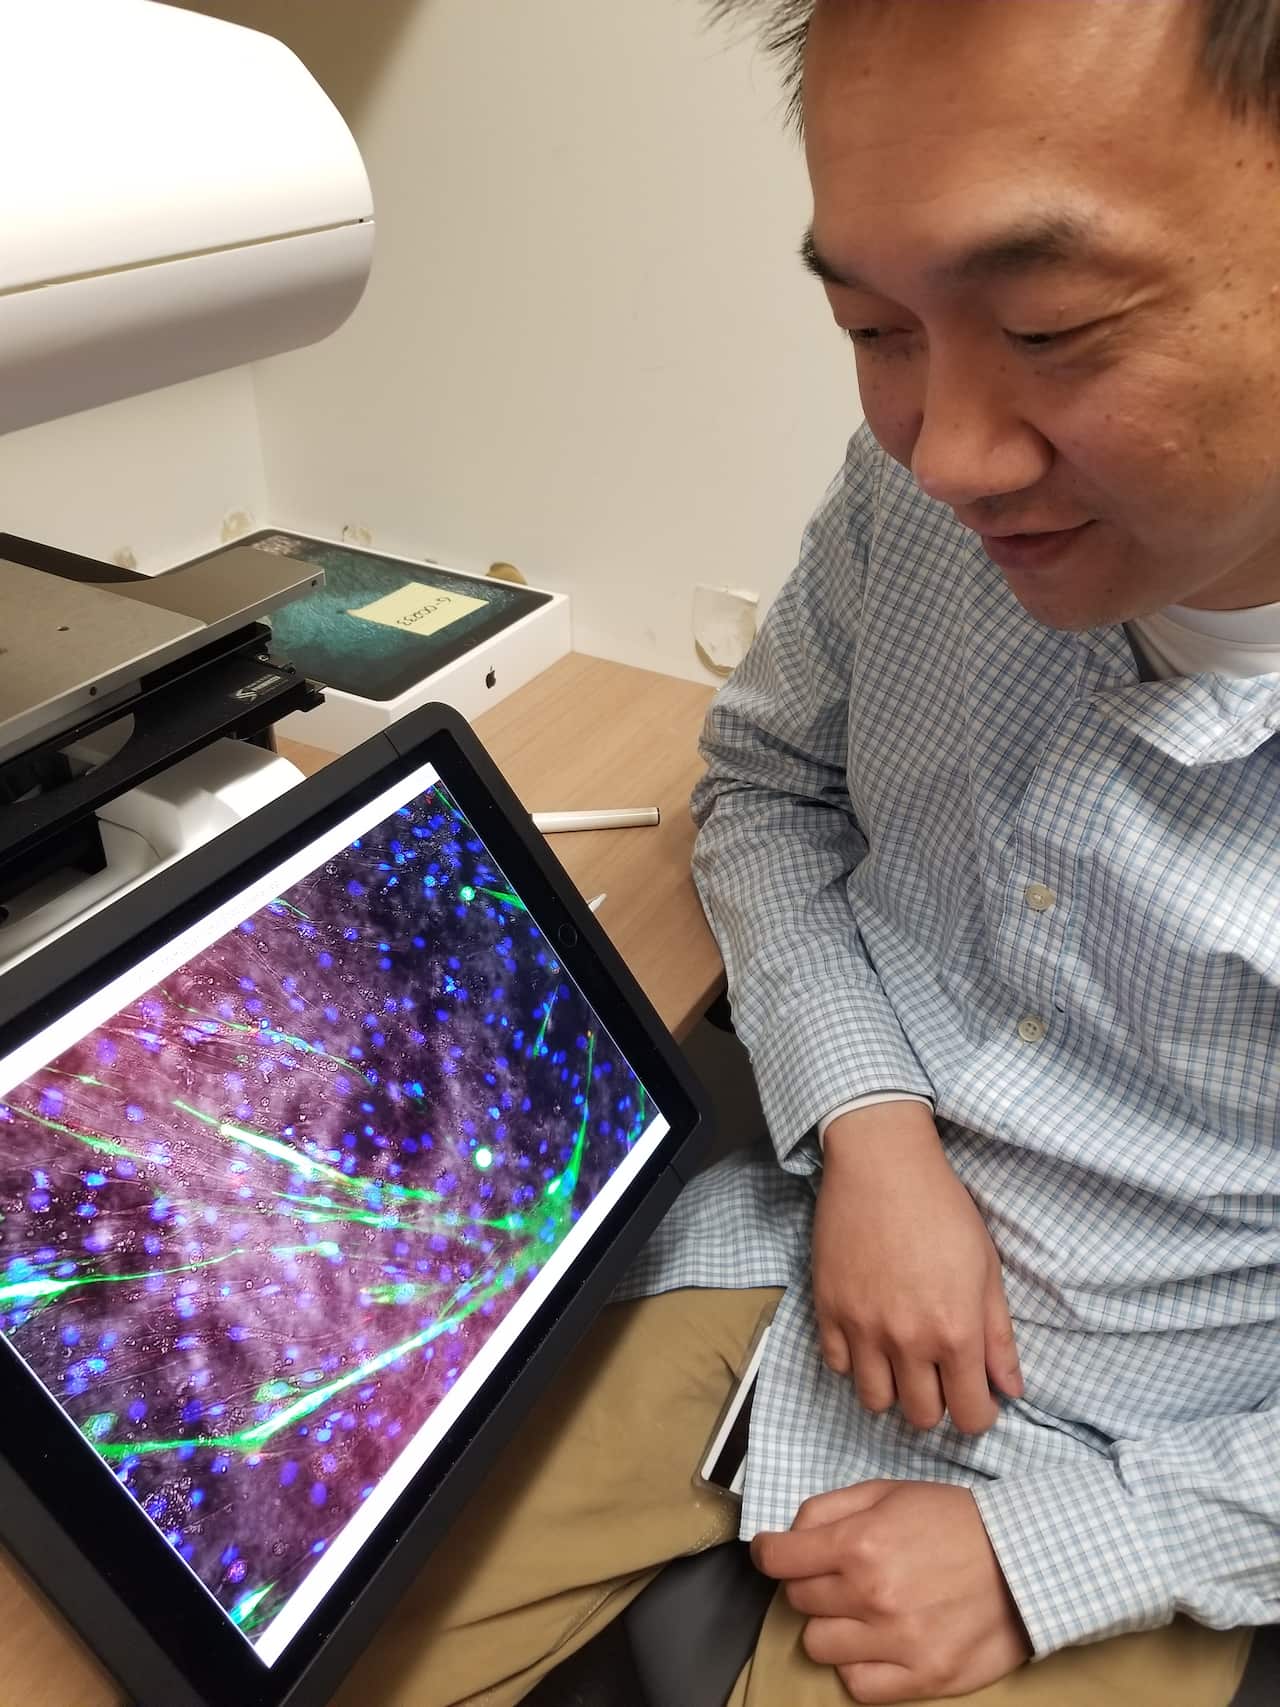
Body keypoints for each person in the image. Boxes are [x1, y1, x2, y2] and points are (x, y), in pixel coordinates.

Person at [339, 2, 1278, 1702]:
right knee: (271, 1591)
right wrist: (872, 1129)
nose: (949, 454)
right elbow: (765, 783)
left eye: (1055, 330)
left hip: (1169, 1442)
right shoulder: (904, 498)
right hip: (783, 1248)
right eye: (872, 324)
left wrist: (1080, 1550)